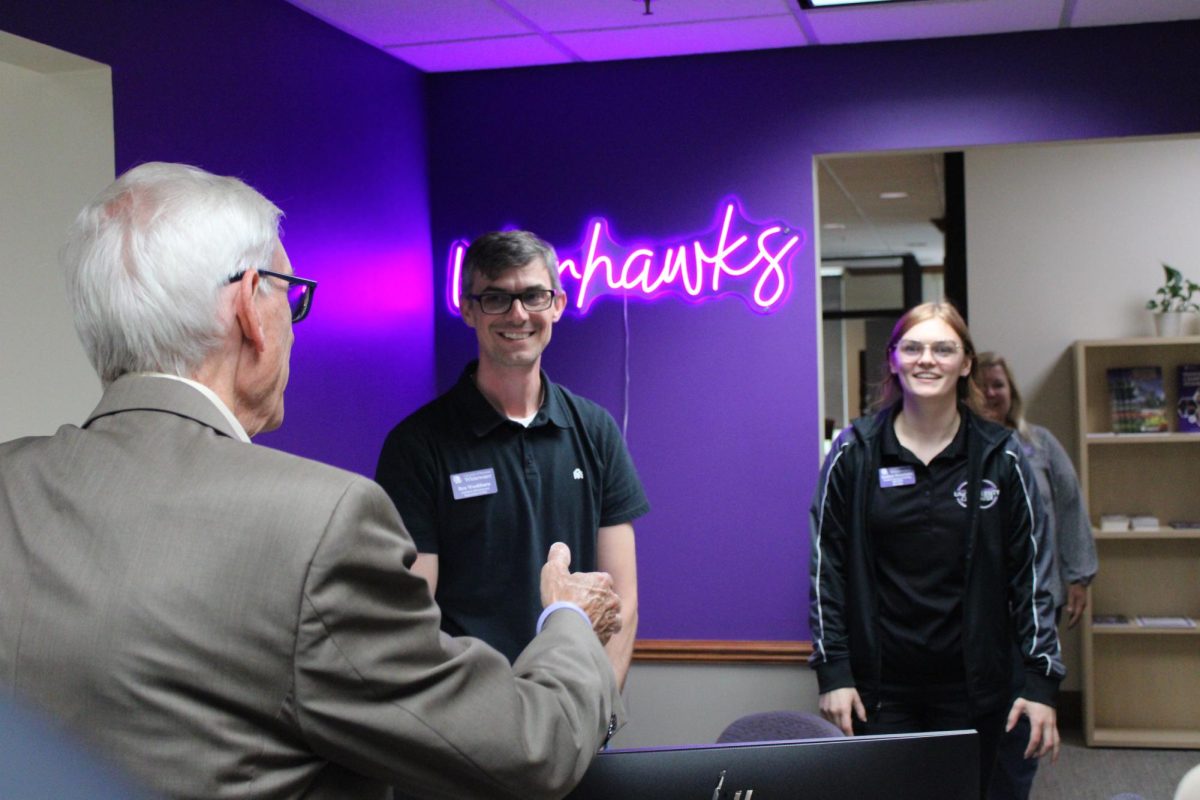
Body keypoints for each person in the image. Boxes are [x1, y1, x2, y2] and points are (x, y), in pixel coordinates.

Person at [0, 162, 626, 800]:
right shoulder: (322, 522)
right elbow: (529, 748)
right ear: (249, 307)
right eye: (288, 294)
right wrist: (568, 621)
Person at [808, 301, 1064, 797]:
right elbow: (827, 569)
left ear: (965, 362)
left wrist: (1041, 680)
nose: (927, 359)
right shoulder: (854, 452)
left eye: (943, 348)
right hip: (877, 689)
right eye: (914, 347)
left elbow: (1032, 575)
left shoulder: (1001, 457)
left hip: (975, 687)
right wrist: (832, 671)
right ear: (894, 359)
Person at [375, 230, 649, 687]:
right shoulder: (418, 445)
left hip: (574, 704)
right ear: (468, 309)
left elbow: (621, 599)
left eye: (533, 296)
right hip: (468, 712)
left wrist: (600, 712)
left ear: (557, 304)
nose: (518, 314)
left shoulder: (595, 432)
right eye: (496, 298)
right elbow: (411, 612)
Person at [976, 352, 1098, 800]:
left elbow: (1069, 507)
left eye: (999, 385)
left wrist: (1079, 575)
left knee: (1026, 708)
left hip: (1037, 603)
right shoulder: (962, 451)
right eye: (983, 385)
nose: (991, 393)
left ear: (1013, 392)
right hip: (980, 610)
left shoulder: (1040, 443)